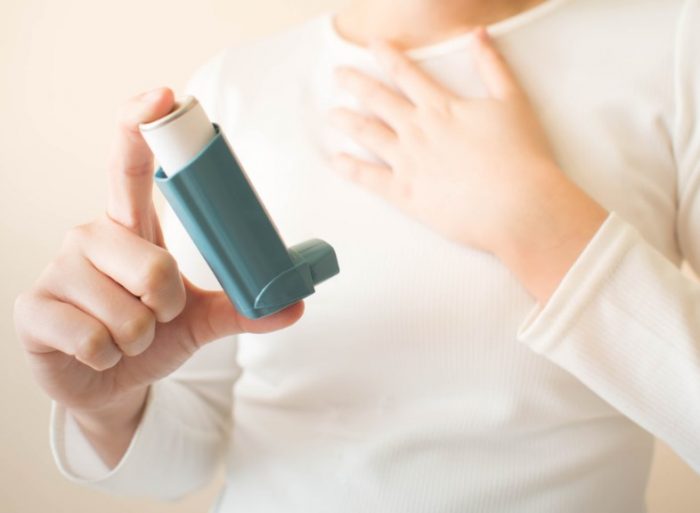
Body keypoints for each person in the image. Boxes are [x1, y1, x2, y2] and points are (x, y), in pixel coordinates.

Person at [13, 0, 700, 511]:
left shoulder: (674, 50)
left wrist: (542, 227)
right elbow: (183, 458)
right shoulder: (233, 90)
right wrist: (109, 408)